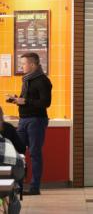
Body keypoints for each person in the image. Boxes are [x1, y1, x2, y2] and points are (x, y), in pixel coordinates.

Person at [6, 52, 52, 195]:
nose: (22, 66)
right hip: (24, 120)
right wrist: (15, 100)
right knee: (16, 152)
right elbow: (26, 100)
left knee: (34, 154)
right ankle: (17, 186)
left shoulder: (43, 80)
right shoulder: (27, 80)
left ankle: (34, 188)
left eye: (23, 64)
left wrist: (25, 101)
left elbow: (46, 103)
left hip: (36, 120)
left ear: (32, 64)